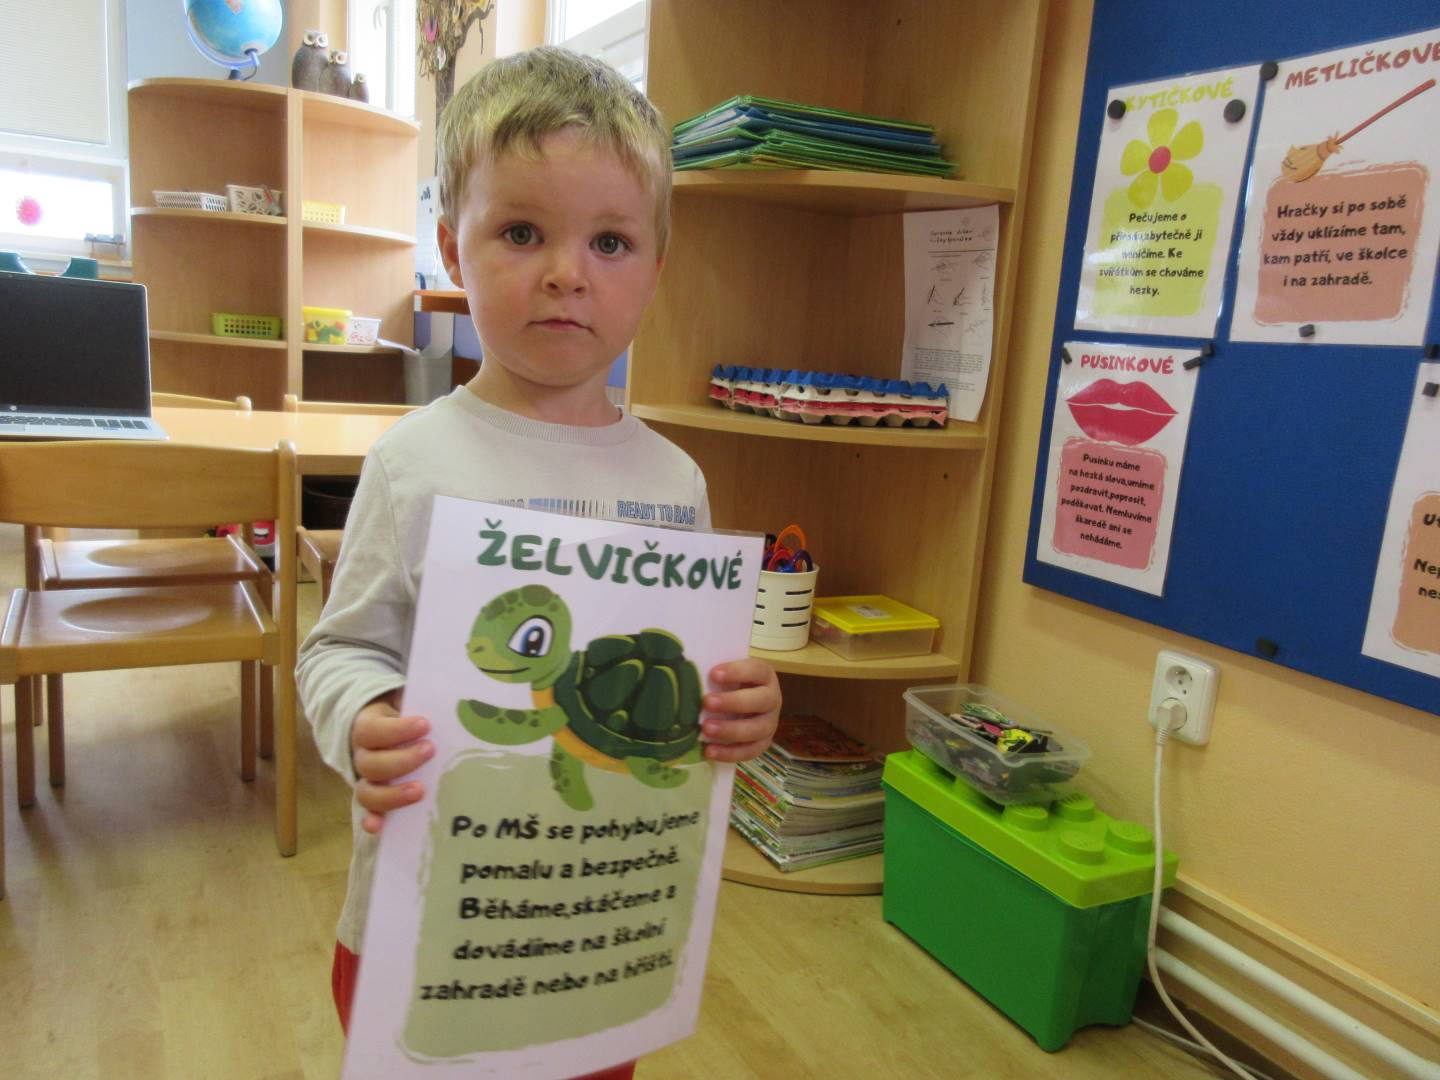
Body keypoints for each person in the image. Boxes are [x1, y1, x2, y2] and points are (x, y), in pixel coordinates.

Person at [295, 46, 782, 1079]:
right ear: (451, 247)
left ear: (657, 266)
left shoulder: (677, 482)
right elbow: (337, 650)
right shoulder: (412, 463)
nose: (567, 272)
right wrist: (364, 719)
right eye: (522, 233)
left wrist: (743, 706)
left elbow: (695, 679)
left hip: (603, 933)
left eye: (611, 241)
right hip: (431, 920)